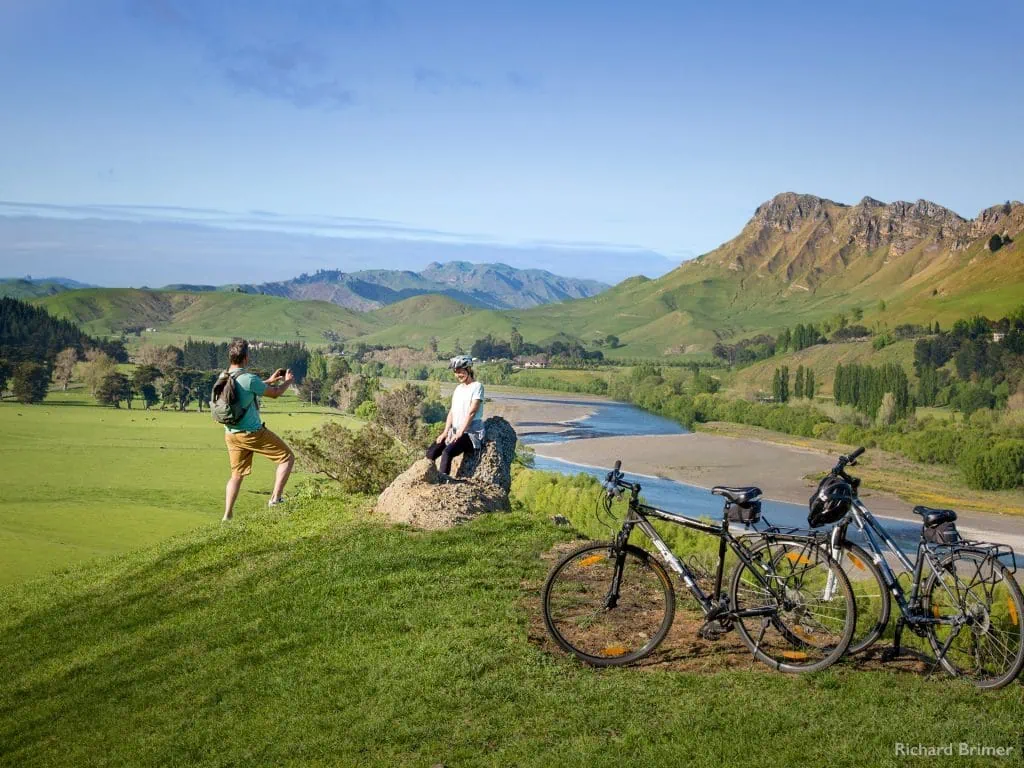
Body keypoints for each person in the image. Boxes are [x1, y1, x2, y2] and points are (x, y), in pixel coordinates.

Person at [222, 338, 296, 521]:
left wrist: (269, 380)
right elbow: (275, 394)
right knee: (287, 457)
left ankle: (227, 516)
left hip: (231, 434)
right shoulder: (249, 379)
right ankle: (275, 499)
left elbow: (245, 388)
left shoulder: (223, 377)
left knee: (236, 475)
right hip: (252, 433)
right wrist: (287, 382)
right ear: (246, 358)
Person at [426, 355, 485, 477]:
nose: (458, 375)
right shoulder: (458, 389)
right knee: (432, 452)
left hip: (470, 433)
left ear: (468, 369)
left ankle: (444, 482)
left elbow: (472, 412)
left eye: (461, 371)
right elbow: (452, 412)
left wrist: (460, 432)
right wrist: (445, 432)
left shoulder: (477, 386)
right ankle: (425, 477)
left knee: (447, 452)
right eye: (456, 372)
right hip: (455, 431)